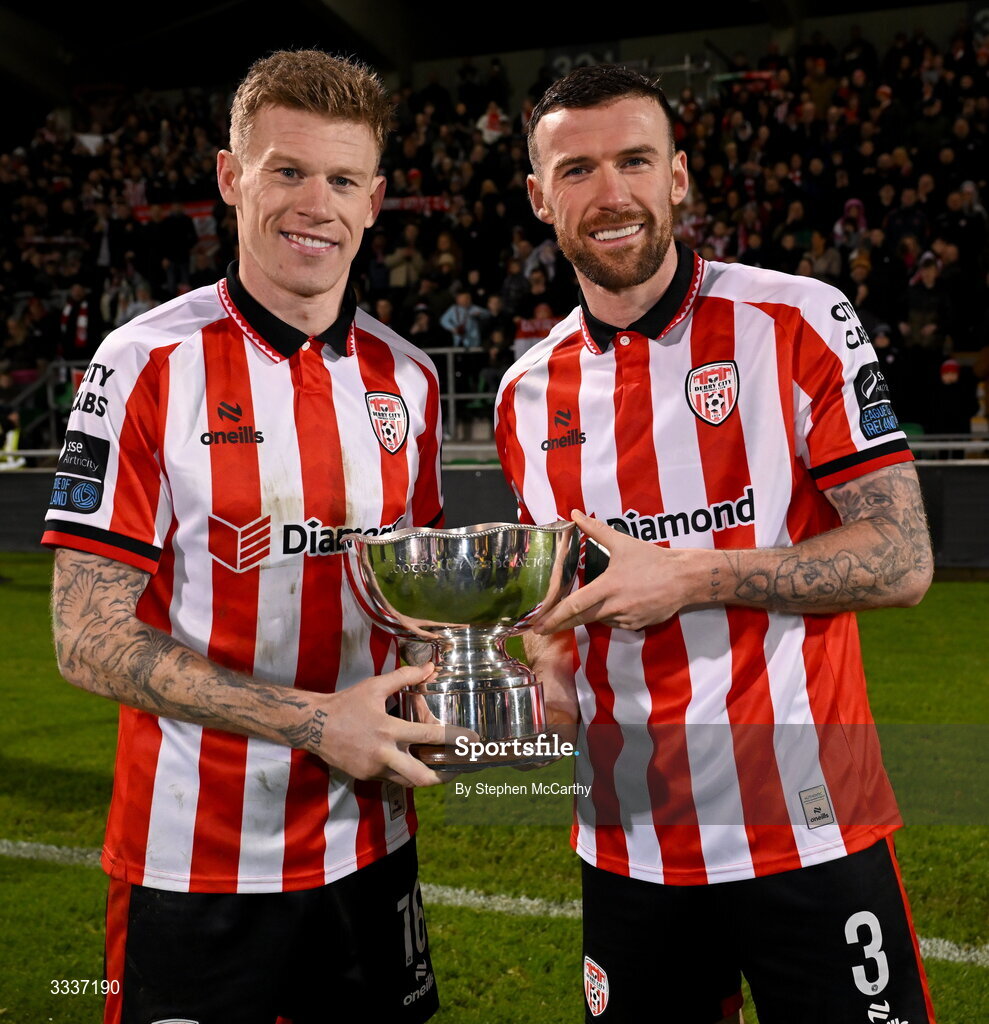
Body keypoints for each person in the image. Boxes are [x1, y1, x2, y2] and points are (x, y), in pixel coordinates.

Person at [495, 65, 937, 1024]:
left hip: (812, 831)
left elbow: (903, 559)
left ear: (679, 177)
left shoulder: (796, 320)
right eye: (576, 170)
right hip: (626, 850)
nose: (610, 194)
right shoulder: (522, 396)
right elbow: (554, 597)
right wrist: (549, 668)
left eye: (635, 161)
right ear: (538, 196)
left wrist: (693, 574)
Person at [44, 49, 461, 1024]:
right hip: (194, 860)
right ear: (232, 178)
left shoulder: (409, 379)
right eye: (287, 170)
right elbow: (85, 635)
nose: (315, 202)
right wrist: (317, 723)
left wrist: (448, 675)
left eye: (342, 179)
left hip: (370, 850)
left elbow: (424, 603)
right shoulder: (145, 363)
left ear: (374, 201)